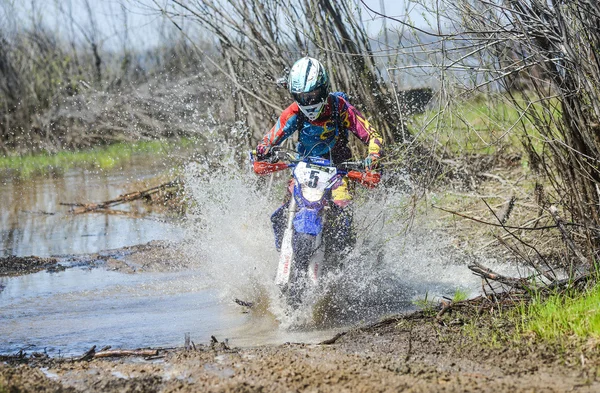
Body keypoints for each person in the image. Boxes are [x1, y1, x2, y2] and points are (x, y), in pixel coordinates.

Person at [255, 56, 383, 254]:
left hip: (339, 171)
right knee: (281, 214)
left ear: (324, 88)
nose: (309, 101)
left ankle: (342, 265)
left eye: (314, 94)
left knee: (342, 215)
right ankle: (282, 254)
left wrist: (373, 157)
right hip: (303, 169)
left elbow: (372, 135)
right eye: (303, 96)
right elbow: (270, 137)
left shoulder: (340, 107)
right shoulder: (294, 112)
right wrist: (263, 150)